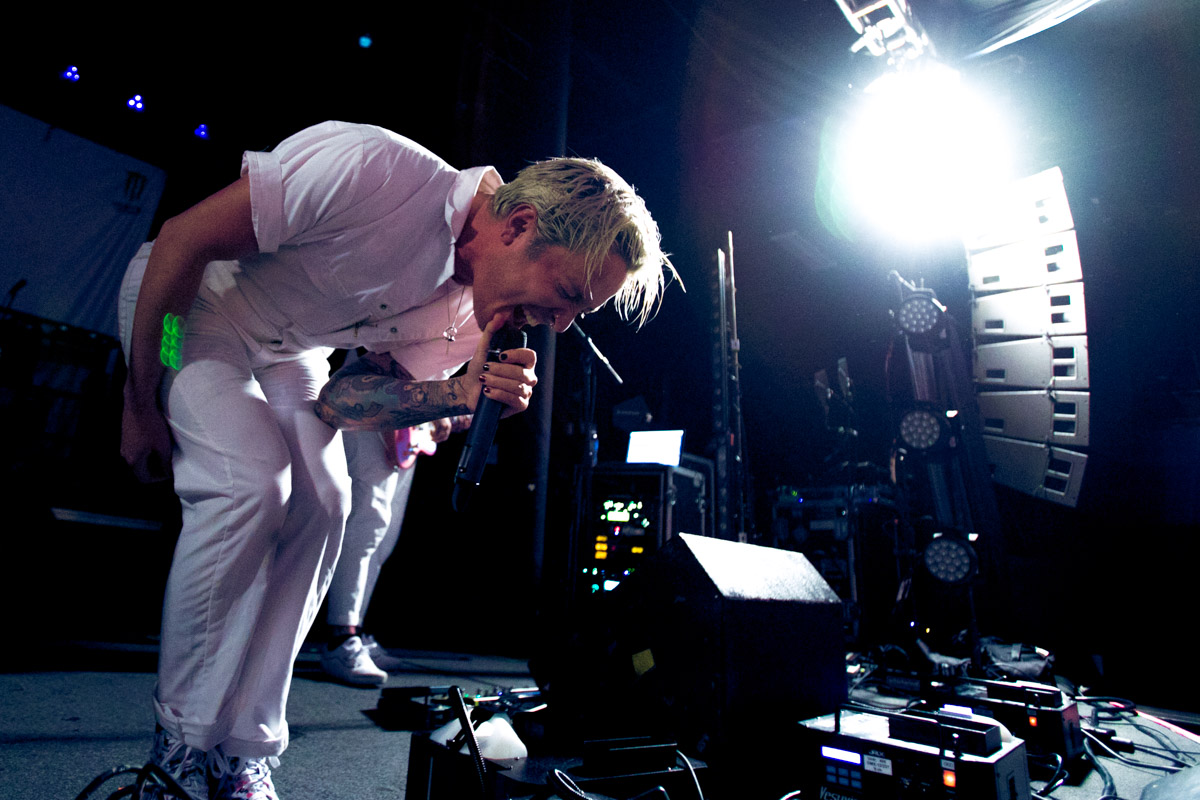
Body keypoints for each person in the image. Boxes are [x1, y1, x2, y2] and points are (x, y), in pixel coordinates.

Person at [117, 119, 671, 800]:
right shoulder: (375, 168)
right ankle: (177, 748)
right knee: (251, 482)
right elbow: (185, 240)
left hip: (292, 356)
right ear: (519, 225)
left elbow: (340, 403)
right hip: (188, 310)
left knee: (327, 504)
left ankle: (242, 750)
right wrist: (143, 394)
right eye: (568, 298)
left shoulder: (477, 316)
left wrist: (456, 391)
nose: (559, 325)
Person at [318, 410, 458, 686]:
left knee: (385, 535)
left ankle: (355, 629)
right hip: (377, 402)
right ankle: (340, 638)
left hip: (411, 419)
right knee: (369, 522)